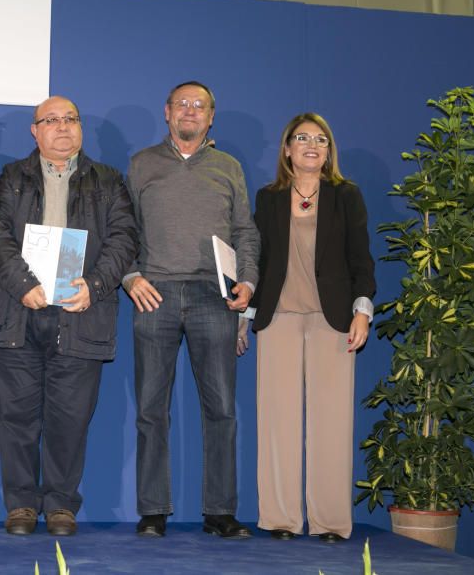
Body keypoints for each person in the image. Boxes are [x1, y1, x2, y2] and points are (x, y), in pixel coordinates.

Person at [0, 96, 137, 536]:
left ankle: (60, 506)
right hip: (18, 312)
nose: (62, 127)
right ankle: (20, 506)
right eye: (51, 120)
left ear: (80, 129)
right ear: (35, 131)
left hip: (80, 312)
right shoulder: (13, 176)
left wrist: (95, 285)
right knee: (16, 417)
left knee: (70, 417)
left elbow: (125, 240)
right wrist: (23, 285)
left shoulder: (108, 180)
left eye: (70, 119)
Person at [124, 81, 259, 539]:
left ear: (210, 117)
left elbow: (246, 231)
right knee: (150, 408)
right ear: (166, 112)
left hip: (214, 295)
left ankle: (219, 512)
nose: (189, 111)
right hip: (154, 292)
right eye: (181, 104)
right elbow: (124, 232)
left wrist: (249, 283)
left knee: (221, 408)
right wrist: (130, 276)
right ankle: (152, 511)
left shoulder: (229, 167)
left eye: (198, 106)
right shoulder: (141, 164)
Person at [244, 112, 375, 543]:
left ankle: (331, 522)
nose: (312, 145)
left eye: (321, 139)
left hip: (333, 320)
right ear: (287, 149)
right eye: (302, 138)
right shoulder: (268, 198)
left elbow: (362, 259)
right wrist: (245, 319)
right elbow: (258, 262)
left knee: (332, 422)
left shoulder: (346, 195)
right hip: (277, 316)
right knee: (277, 421)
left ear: (328, 151)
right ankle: (281, 519)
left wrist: (362, 311)